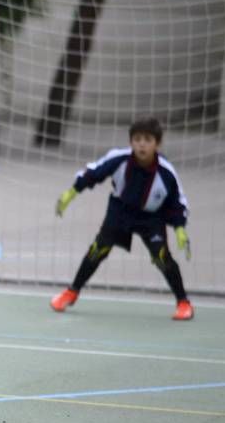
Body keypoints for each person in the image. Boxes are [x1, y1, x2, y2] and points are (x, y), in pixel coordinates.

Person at [50, 117, 193, 321]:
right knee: (98, 250)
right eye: (137, 139)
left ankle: (183, 302)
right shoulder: (119, 158)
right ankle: (72, 292)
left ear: (157, 144)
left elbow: (178, 202)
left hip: (151, 217)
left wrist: (180, 228)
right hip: (120, 211)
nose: (141, 144)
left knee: (162, 257)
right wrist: (71, 193)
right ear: (131, 142)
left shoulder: (166, 172)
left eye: (147, 139)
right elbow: (93, 173)